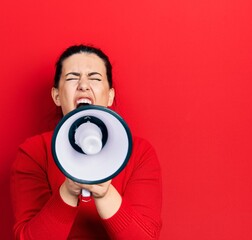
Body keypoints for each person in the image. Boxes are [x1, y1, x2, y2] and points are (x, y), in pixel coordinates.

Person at [10, 44, 162, 239]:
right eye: (72, 77)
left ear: (110, 96)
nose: (83, 85)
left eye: (95, 78)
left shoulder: (140, 152)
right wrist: (68, 191)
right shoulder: (34, 151)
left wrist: (105, 195)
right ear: (56, 96)